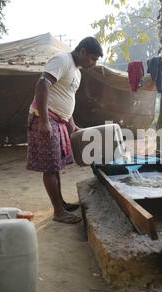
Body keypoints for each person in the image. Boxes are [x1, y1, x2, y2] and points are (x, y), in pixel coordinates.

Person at [27, 37, 103, 224]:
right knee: (50, 167)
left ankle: (61, 203)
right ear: (83, 51)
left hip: (59, 121)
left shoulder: (77, 71)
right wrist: (44, 121)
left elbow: (66, 99)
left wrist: (72, 125)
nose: (93, 63)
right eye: (92, 58)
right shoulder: (62, 60)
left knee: (56, 166)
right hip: (46, 119)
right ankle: (58, 212)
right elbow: (42, 85)